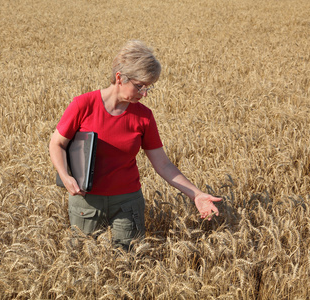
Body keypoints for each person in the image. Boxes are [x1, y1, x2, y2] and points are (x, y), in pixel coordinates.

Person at [49, 40, 222, 250]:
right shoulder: (83, 105)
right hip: (86, 202)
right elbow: (57, 143)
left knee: (129, 262)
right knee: (82, 259)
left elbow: (163, 164)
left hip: (127, 203)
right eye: (140, 86)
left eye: (148, 87)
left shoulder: (144, 117)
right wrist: (66, 177)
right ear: (120, 77)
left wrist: (196, 194)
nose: (145, 94)